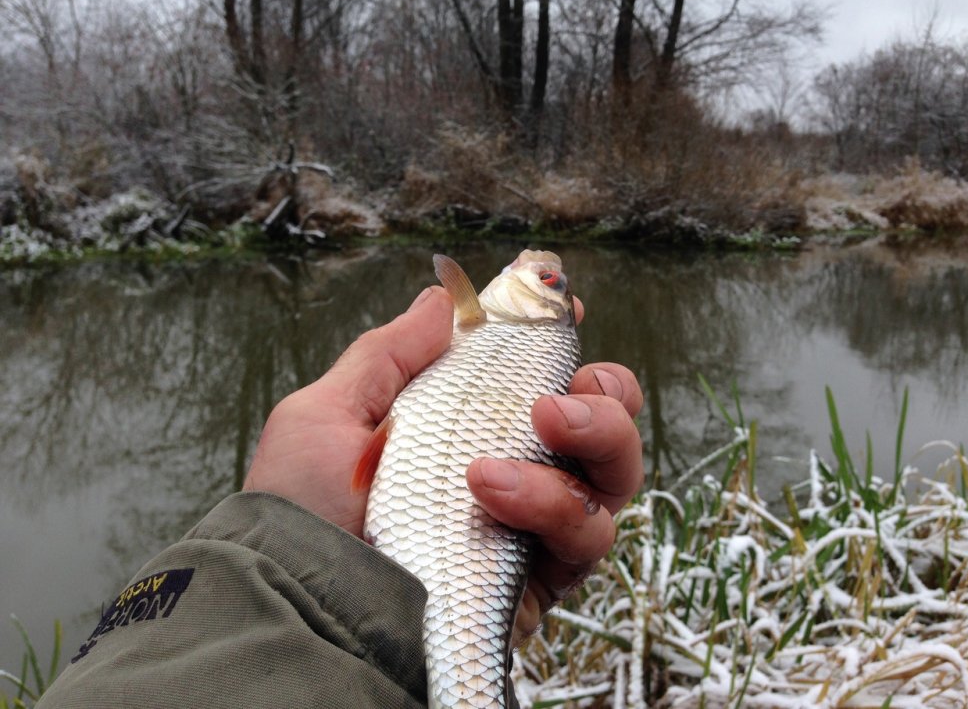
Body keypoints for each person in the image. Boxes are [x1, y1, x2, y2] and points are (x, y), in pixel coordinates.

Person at [37, 285, 644, 708]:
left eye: (549, 281)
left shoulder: (484, 320)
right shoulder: (479, 326)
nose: (543, 270)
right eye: (550, 280)